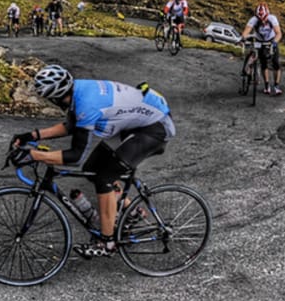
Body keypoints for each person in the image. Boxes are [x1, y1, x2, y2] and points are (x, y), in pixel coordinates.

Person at [10, 64, 176, 258]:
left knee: (104, 176)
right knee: (92, 168)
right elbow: (72, 126)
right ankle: (132, 212)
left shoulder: (86, 103)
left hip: (154, 129)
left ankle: (107, 242)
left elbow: (75, 156)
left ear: (57, 96)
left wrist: (34, 155)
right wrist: (32, 136)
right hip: (134, 124)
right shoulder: (77, 90)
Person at [240, 3, 284, 95]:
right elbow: (246, 32)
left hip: (271, 40)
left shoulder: (272, 18)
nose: (263, 22)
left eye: (264, 19)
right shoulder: (253, 20)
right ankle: (267, 85)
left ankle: (276, 86)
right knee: (264, 63)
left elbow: (279, 33)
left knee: (276, 63)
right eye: (260, 20)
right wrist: (243, 39)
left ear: (267, 15)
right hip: (259, 40)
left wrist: (274, 42)